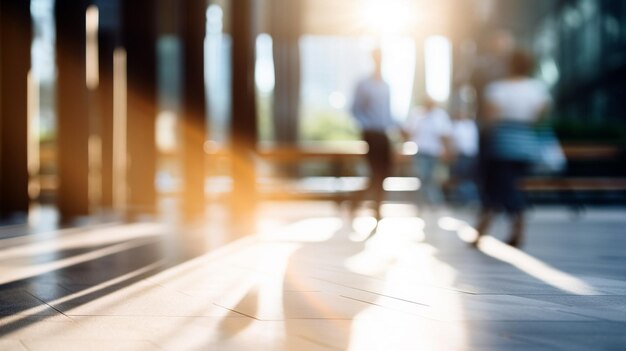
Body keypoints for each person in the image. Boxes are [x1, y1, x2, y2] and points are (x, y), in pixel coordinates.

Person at [472, 50, 551, 248]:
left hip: (502, 141)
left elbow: (491, 117)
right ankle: (493, 228)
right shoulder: (537, 89)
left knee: (497, 185)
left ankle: (491, 227)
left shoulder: (497, 89)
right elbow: (541, 114)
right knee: (510, 184)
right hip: (526, 140)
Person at [350, 47, 395, 222]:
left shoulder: (386, 84)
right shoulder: (363, 84)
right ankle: (374, 207)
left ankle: (364, 203)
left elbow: (389, 113)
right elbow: (355, 109)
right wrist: (367, 126)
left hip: (384, 133)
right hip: (371, 134)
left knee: (385, 172)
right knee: (375, 173)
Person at [403, 97, 453, 211]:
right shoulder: (416, 114)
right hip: (420, 151)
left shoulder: (440, 116)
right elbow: (408, 130)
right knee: (422, 176)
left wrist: (446, 150)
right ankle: (425, 203)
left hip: (434, 153)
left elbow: (445, 134)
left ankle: (434, 202)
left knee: (431, 178)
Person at [449, 105, 479, 205]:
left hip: (471, 156)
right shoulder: (456, 126)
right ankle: (463, 200)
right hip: (460, 156)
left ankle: (471, 199)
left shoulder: (471, 125)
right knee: (461, 178)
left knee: (470, 178)